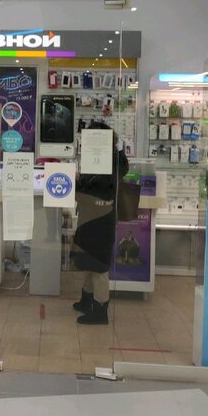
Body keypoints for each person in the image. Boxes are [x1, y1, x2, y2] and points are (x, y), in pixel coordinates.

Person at [73, 121, 128, 325]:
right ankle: (86, 300)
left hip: (99, 218)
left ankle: (100, 310)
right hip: (93, 217)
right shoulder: (109, 159)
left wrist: (78, 182)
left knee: (99, 266)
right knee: (89, 262)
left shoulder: (110, 162)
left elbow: (95, 188)